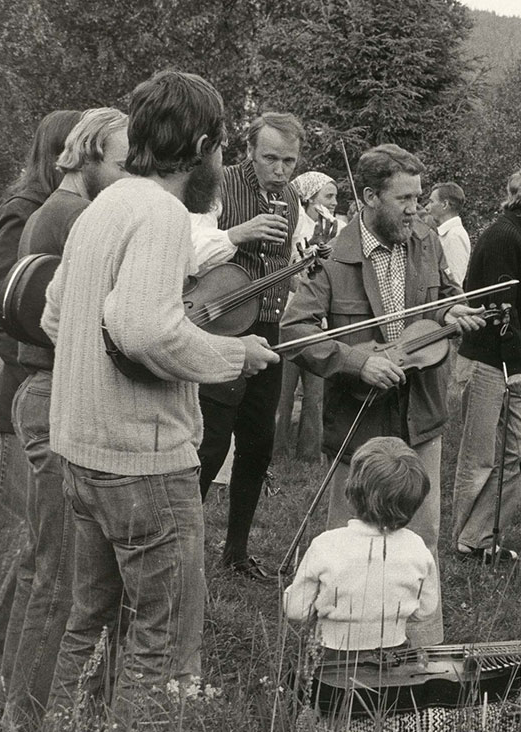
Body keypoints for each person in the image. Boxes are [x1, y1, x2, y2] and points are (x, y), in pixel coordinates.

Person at [43, 70, 279, 724]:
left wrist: (119, 351)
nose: (221, 163)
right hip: (142, 465)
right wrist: (235, 353)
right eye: (221, 150)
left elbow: (58, 317)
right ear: (202, 144)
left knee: (88, 623)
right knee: (163, 639)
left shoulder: (104, 205)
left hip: (82, 451)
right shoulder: (163, 214)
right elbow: (146, 327)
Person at [282, 144, 483, 646]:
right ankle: (332, 661)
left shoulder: (427, 241)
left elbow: (442, 297)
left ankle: (424, 662)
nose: (417, 208)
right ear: (370, 197)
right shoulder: (330, 257)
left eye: (419, 197)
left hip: (421, 416)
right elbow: (295, 331)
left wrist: (448, 315)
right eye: (405, 199)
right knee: (347, 544)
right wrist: (356, 361)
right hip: (360, 421)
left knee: (424, 539)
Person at [5, 107, 129, 730]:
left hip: (44, 389)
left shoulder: (55, 209)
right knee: (61, 580)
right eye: (122, 163)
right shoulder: (77, 215)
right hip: (54, 392)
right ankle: (26, 718)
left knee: (47, 570)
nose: (130, 177)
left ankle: (22, 705)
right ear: (85, 154)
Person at [0, 108, 80, 707]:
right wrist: (37, 360)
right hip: (26, 399)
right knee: (19, 539)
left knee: (32, 539)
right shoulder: (26, 210)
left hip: (42, 391)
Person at [192, 112, 304, 580]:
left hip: (270, 329)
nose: (280, 170)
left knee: (258, 443)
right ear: (250, 152)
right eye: (270, 158)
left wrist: (302, 269)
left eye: (289, 161)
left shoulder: (294, 200)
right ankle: (182, 546)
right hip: (222, 327)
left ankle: (235, 551)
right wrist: (239, 234)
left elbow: (289, 260)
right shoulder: (218, 184)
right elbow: (193, 248)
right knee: (212, 441)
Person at [283, 436, 438, 718]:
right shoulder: (417, 547)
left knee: (310, 704)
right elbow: (426, 611)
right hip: (395, 661)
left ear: (352, 491)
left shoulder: (326, 544)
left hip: (331, 662)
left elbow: (296, 610)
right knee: (387, 716)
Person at [452, 163, 521, 562]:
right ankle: (466, 540)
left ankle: (476, 536)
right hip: (485, 363)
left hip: (505, 364)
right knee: (477, 458)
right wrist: (517, 370)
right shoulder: (503, 236)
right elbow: (501, 311)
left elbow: (520, 311)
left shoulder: (519, 235)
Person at [273, 171, 337, 462]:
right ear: (309, 197)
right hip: (289, 316)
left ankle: (310, 454)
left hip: (319, 321)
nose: (335, 202)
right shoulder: (293, 227)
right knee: (283, 392)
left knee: (316, 392)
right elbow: (286, 275)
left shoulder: (334, 229)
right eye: (329, 196)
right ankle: (274, 452)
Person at [427, 182, 471, 287]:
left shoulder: (455, 236)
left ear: (445, 205)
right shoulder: (445, 234)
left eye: (431, 202)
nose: (427, 207)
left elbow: (453, 282)